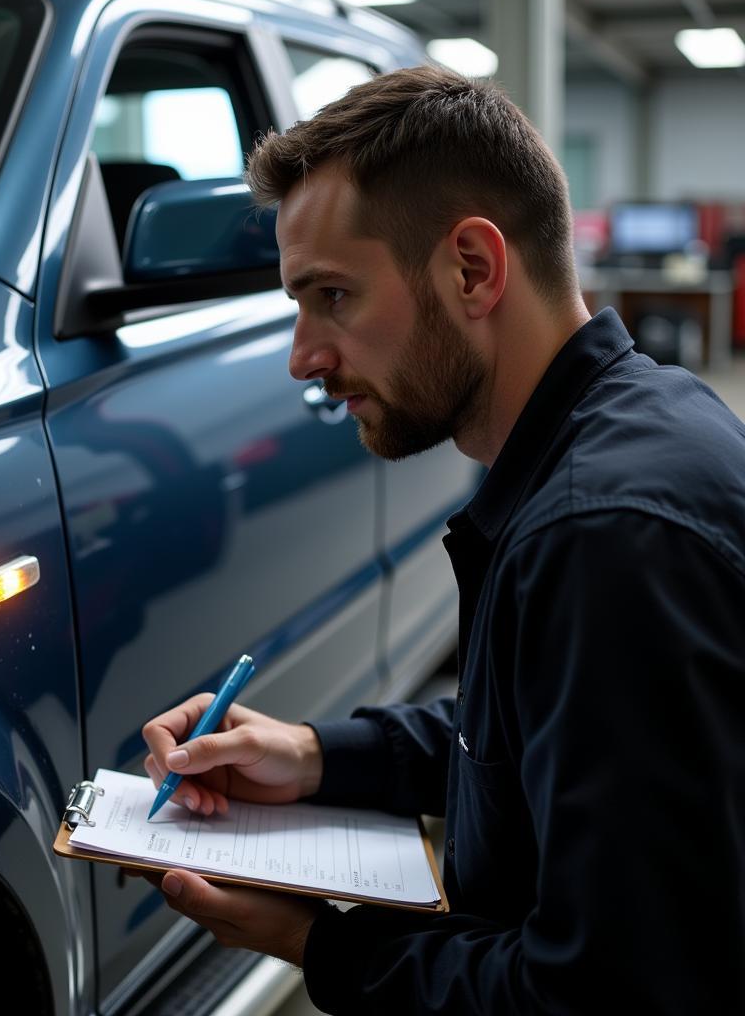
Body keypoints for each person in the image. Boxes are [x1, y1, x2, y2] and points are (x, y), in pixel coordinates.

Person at [139, 65, 745, 1013]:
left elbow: (603, 994)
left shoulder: (606, 539)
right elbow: (538, 736)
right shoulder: (632, 423)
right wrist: (311, 755)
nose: (304, 356)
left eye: (331, 296)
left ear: (472, 269)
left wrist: (314, 942)